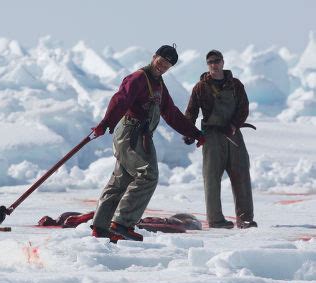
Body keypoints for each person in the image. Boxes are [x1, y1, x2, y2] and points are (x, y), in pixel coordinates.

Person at [91, 44, 205, 241]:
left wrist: (195, 133)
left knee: (121, 180)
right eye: (161, 62)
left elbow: (171, 113)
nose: (163, 66)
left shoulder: (158, 84)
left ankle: (100, 228)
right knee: (148, 175)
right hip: (131, 133)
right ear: (154, 57)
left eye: (167, 65)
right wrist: (105, 123)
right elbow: (121, 100)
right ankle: (122, 224)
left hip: (140, 135)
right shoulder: (138, 78)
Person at [183, 49, 257, 229]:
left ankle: (245, 218)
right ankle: (216, 220)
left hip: (233, 134)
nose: (214, 65)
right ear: (207, 65)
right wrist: (188, 132)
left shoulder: (236, 85)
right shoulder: (200, 87)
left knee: (241, 175)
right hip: (211, 136)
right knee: (212, 178)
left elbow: (243, 108)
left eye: (217, 61)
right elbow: (191, 111)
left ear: (223, 62)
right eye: (210, 62)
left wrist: (233, 125)